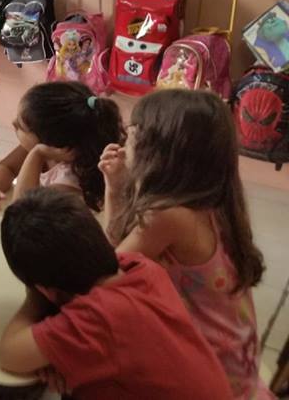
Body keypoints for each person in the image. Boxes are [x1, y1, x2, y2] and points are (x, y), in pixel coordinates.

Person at [100, 89, 273, 400]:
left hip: (203, 381)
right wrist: (115, 189)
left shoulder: (169, 217)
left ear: (159, 150)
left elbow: (108, 273)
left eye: (132, 133)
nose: (125, 141)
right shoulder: (215, 203)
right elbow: (122, 255)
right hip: (236, 371)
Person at [0, 188, 231, 399]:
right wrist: (61, 358)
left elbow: (9, 354)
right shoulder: (138, 266)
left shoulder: (99, 316)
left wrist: (34, 298)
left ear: (46, 290)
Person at [0, 81, 124, 213]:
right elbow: (6, 167)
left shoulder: (70, 179)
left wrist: (36, 154)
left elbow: (24, 210)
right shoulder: (44, 148)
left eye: (21, 126)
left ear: (50, 141)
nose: (13, 123)